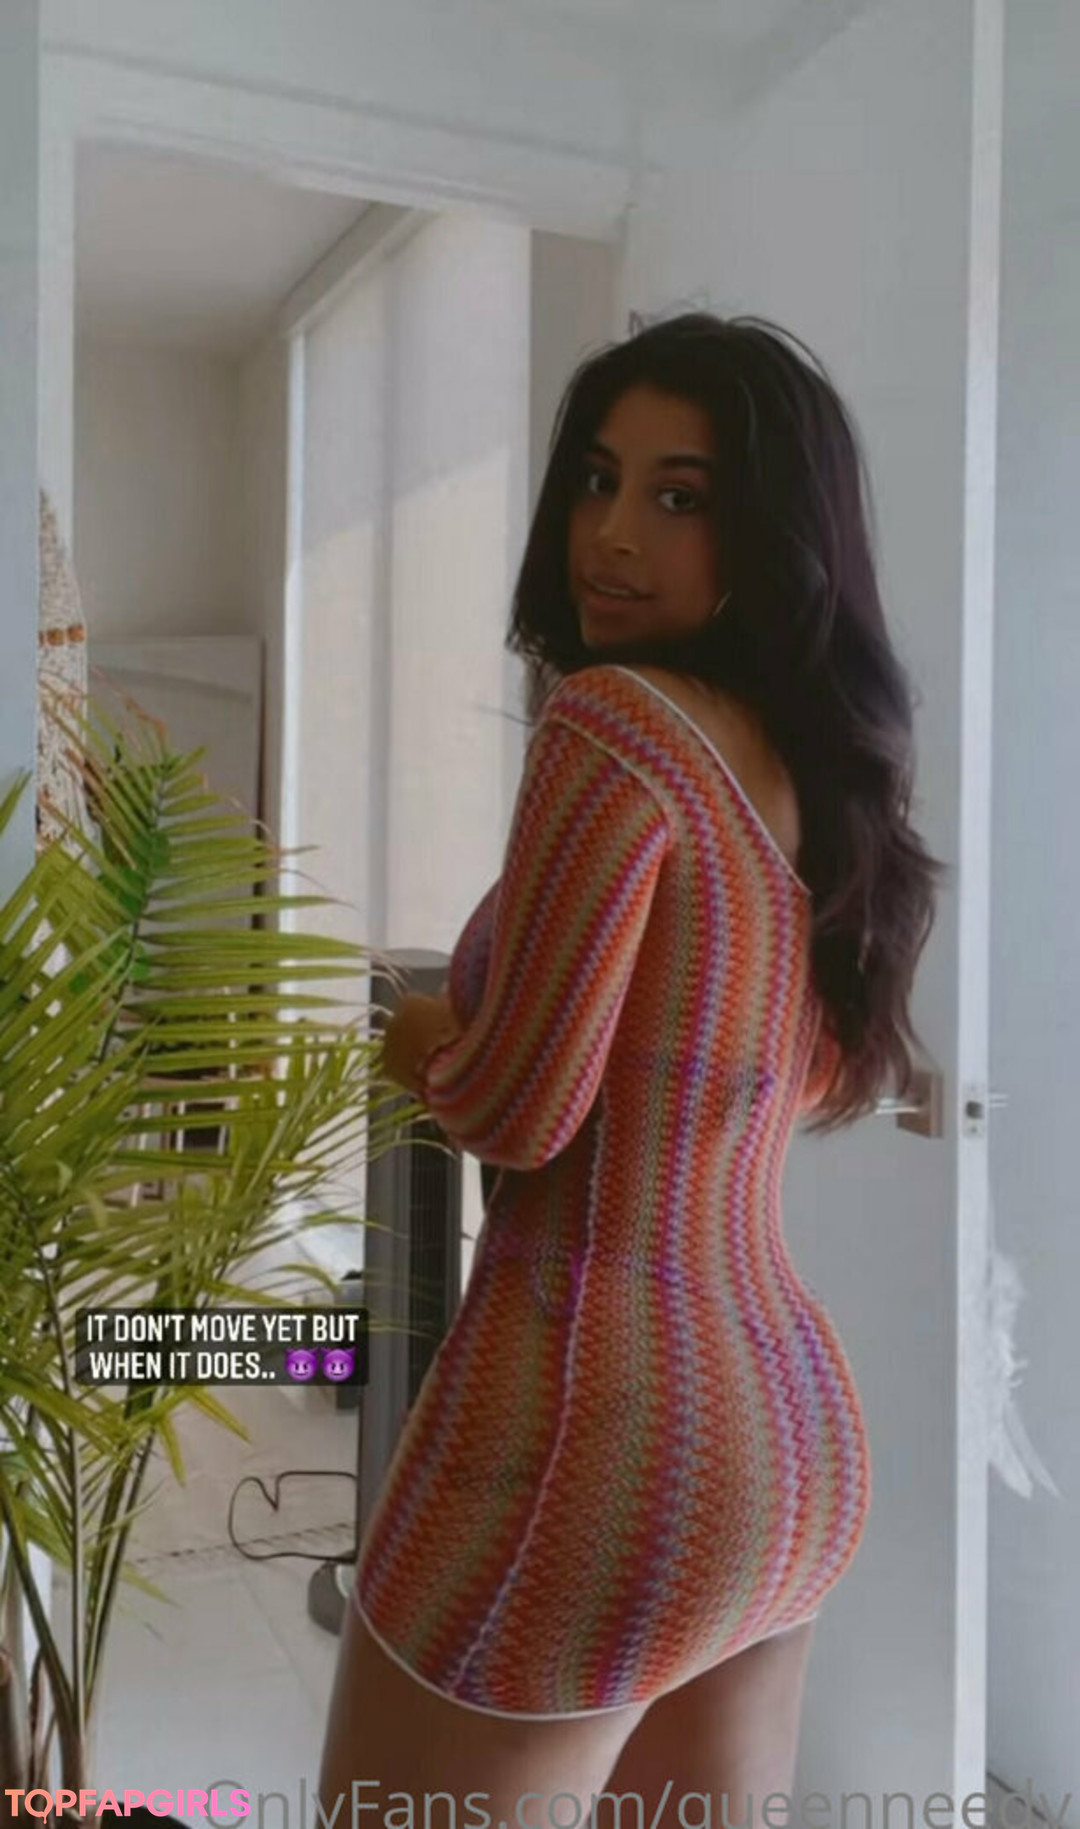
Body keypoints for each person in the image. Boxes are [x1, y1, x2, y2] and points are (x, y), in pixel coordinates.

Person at [318, 311, 947, 1813]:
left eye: (680, 496)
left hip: (582, 1441)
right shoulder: (808, 780)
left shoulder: (613, 724)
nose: (611, 533)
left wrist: (409, 1030)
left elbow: (519, 1109)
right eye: (598, 480)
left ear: (774, 536)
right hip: (786, 1447)